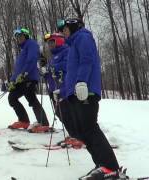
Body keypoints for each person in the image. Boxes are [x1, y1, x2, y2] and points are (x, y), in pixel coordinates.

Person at [58, 18, 125, 179]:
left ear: (73, 26)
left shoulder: (83, 37)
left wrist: (82, 81)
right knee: (83, 132)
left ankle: (110, 167)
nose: (63, 33)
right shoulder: (72, 44)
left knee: (90, 128)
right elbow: (71, 73)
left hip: (86, 90)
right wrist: (64, 91)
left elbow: (87, 60)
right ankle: (102, 164)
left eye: (65, 29)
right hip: (76, 92)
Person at [42, 33, 83, 148]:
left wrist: (52, 68)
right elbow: (51, 73)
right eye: (48, 43)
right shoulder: (52, 57)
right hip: (55, 90)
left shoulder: (67, 51)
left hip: (65, 88)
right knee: (60, 113)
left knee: (67, 112)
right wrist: (45, 73)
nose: (49, 45)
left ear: (59, 41)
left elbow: (68, 65)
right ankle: (74, 134)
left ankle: (78, 136)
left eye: (52, 42)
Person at [7, 27, 49, 133]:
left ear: (26, 36)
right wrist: (12, 81)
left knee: (24, 98)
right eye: (17, 37)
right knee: (18, 98)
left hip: (28, 77)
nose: (19, 39)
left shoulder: (31, 44)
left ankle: (40, 123)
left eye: (20, 36)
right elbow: (18, 68)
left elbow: (31, 60)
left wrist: (24, 73)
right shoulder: (23, 49)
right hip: (21, 79)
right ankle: (27, 121)